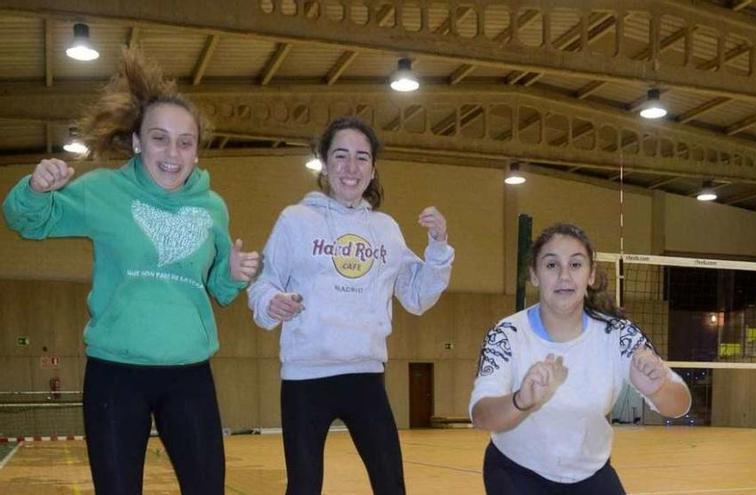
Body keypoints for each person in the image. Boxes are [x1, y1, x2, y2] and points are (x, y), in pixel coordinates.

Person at [2, 48, 260, 494]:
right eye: (159, 138)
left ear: (197, 150)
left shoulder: (212, 207)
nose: (173, 153)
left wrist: (234, 274)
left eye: (186, 142)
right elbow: (29, 222)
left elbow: (216, 291)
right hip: (116, 374)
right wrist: (35, 189)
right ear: (138, 142)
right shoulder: (105, 191)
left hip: (189, 373)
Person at [248, 116, 454, 494]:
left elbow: (417, 297)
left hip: (365, 377)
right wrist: (271, 302)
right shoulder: (295, 220)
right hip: (305, 378)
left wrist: (438, 246)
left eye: (362, 158)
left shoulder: (386, 229)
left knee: (391, 484)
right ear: (324, 163)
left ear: (373, 169)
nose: (351, 167)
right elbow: (264, 281)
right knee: (304, 486)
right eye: (340, 156)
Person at [470, 223, 691, 494]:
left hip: (591, 472)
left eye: (575, 265)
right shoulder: (506, 335)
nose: (564, 276)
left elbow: (680, 404)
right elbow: (482, 416)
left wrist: (659, 389)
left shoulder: (618, 334)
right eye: (552, 265)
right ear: (534, 275)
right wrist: (520, 401)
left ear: (590, 275)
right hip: (517, 471)